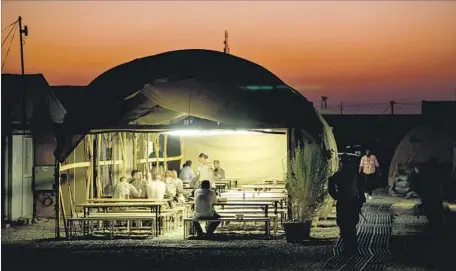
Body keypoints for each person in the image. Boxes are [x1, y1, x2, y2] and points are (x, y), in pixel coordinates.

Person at [328, 155, 365, 255]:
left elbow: (330, 186)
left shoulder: (340, 175)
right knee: (349, 225)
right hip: (350, 202)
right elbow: (360, 190)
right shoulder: (352, 174)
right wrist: (360, 201)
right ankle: (351, 246)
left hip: (346, 203)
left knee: (345, 225)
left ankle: (349, 246)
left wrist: (336, 196)